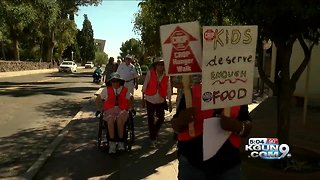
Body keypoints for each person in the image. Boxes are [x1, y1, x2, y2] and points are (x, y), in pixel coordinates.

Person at [172, 81, 252, 179]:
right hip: (192, 162)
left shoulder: (237, 94)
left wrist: (238, 126)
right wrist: (181, 121)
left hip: (229, 164)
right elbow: (175, 125)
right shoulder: (192, 92)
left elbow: (247, 125)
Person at [95, 72, 133, 154]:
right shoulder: (106, 90)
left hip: (122, 110)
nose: (115, 83)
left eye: (117, 81)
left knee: (119, 119)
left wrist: (131, 108)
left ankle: (121, 143)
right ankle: (112, 144)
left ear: (120, 81)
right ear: (111, 82)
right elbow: (98, 99)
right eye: (113, 81)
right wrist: (99, 109)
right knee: (110, 119)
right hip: (110, 110)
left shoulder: (124, 89)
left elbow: (131, 98)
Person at [142, 57, 172, 147]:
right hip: (150, 99)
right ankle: (153, 138)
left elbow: (168, 88)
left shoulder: (167, 75)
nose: (161, 66)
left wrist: (170, 102)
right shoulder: (150, 73)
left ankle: (153, 132)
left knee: (161, 118)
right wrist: (142, 99)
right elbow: (145, 86)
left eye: (162, 64)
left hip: (160, 99)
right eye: (159, 64)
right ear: (155, 66)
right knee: (150, 119)